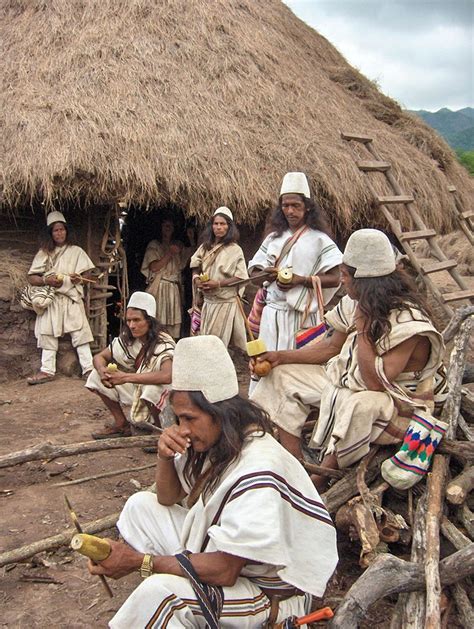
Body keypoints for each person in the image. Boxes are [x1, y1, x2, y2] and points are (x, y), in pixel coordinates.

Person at [88, 335, 338, 627]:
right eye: (179, 419)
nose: (183, 429)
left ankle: (176, 600)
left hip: (267, 593)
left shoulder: (259, 465)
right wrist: (164, 456)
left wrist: (139, 562)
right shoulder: (221, 440)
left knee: (161, 594)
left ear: (220, 413)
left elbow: (224, 570)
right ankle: (181, 590)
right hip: (231, 565)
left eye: (189, 419)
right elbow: (167, 498)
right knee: (139, 506)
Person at [250, 229, 445, 489]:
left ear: (364, 281)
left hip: (396, 403)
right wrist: (279, 357)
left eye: (344, 275)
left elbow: (375, 383)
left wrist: (363, 325)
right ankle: (295, 463)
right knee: (280, 377)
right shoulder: (355, 304)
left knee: (359, 405)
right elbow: (332, 347)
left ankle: (320, 480)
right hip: (350, 382)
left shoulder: (409, 322)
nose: (341, 281)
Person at [247, 172, 342, 391]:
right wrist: (266, 275)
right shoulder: (273, 239)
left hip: (299, 318)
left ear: (307, 206)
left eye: (296, 205)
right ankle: (263, 408)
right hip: (271, 316)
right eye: (285, 205)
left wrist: (301, 280)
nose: (290, 210)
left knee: (294, 371)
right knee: (264, 365)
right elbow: (254, 275)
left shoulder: (319, 240)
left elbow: (336, 278)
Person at [86, 292, 175, 439]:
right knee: (95, 376)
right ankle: (121, 425)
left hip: (165, 395)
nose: (132, 325)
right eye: (128, 321)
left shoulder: (163, 343)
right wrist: (102, 370)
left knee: (151, 388)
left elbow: (167, 376)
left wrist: (126, 377)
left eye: (136, 320)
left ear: (149, 321)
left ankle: (159, 430)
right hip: (138, 389)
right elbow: (99, 357)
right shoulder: (128, 339)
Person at [26, 211, 95, 384]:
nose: (59, 233)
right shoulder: (44, 253)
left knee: (80, 333)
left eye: (61, 229)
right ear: (50, 233)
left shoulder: (76, 251)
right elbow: (32, 277)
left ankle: (89, 370)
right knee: (47, 333)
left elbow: (88, 274)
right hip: (52, 299)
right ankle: (47, 371)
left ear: (66, 231)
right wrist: (45, 280)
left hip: (71, 297)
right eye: (55, 230)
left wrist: (77, 278)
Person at [190, 207, 248, 350]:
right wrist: (197, 278)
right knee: (204, 339)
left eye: (223, 224)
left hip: (224, 303)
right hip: (207, 303)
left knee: (216, 344)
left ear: (229, 227)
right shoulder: (205, 247)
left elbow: (241, 277)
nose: (219, 227)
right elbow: (195, 263)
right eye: (216, 224)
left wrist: (218, 284)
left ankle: (217, 370)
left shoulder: (235, 250)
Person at [141, 218, 194, 339]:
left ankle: (171, 347)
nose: (168, 227)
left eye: (170, 225)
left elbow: (193, 256)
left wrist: (191, 239)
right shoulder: (154, 245)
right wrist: (170, 253)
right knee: (159, 319)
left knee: (174, 323)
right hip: (161, 287)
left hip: (174, 289)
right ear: (160, 227)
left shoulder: (178, 246)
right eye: (165, 225)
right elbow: (154, 267)